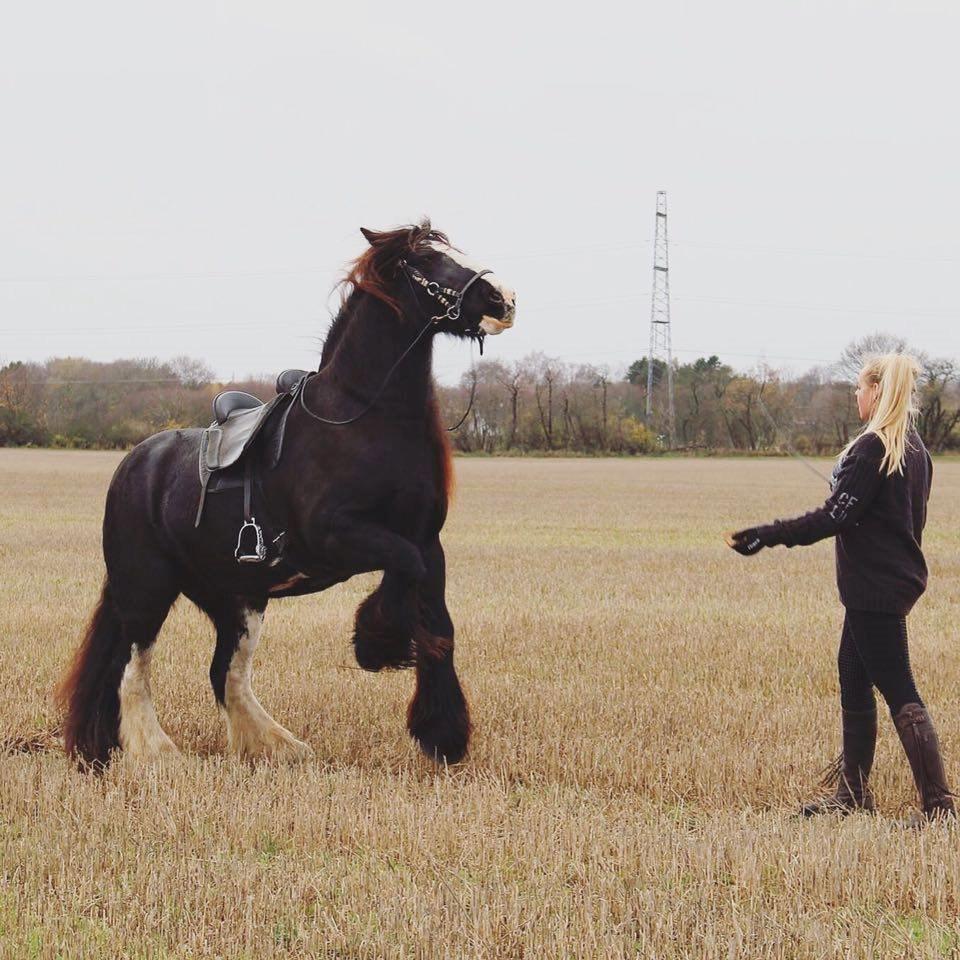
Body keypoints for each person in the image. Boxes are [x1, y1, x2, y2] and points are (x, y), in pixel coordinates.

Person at [727, 353, 954, 823]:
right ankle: (853, 793)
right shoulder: (916, 451)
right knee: (853, 673)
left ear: (876, 390)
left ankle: (938, 808)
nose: (855, 395)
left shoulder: (875, 449)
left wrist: (765, 535)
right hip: (885, 584)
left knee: (898, 687)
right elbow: (908, 520)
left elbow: (834, 516)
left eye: (859, 388)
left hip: (875, 588)